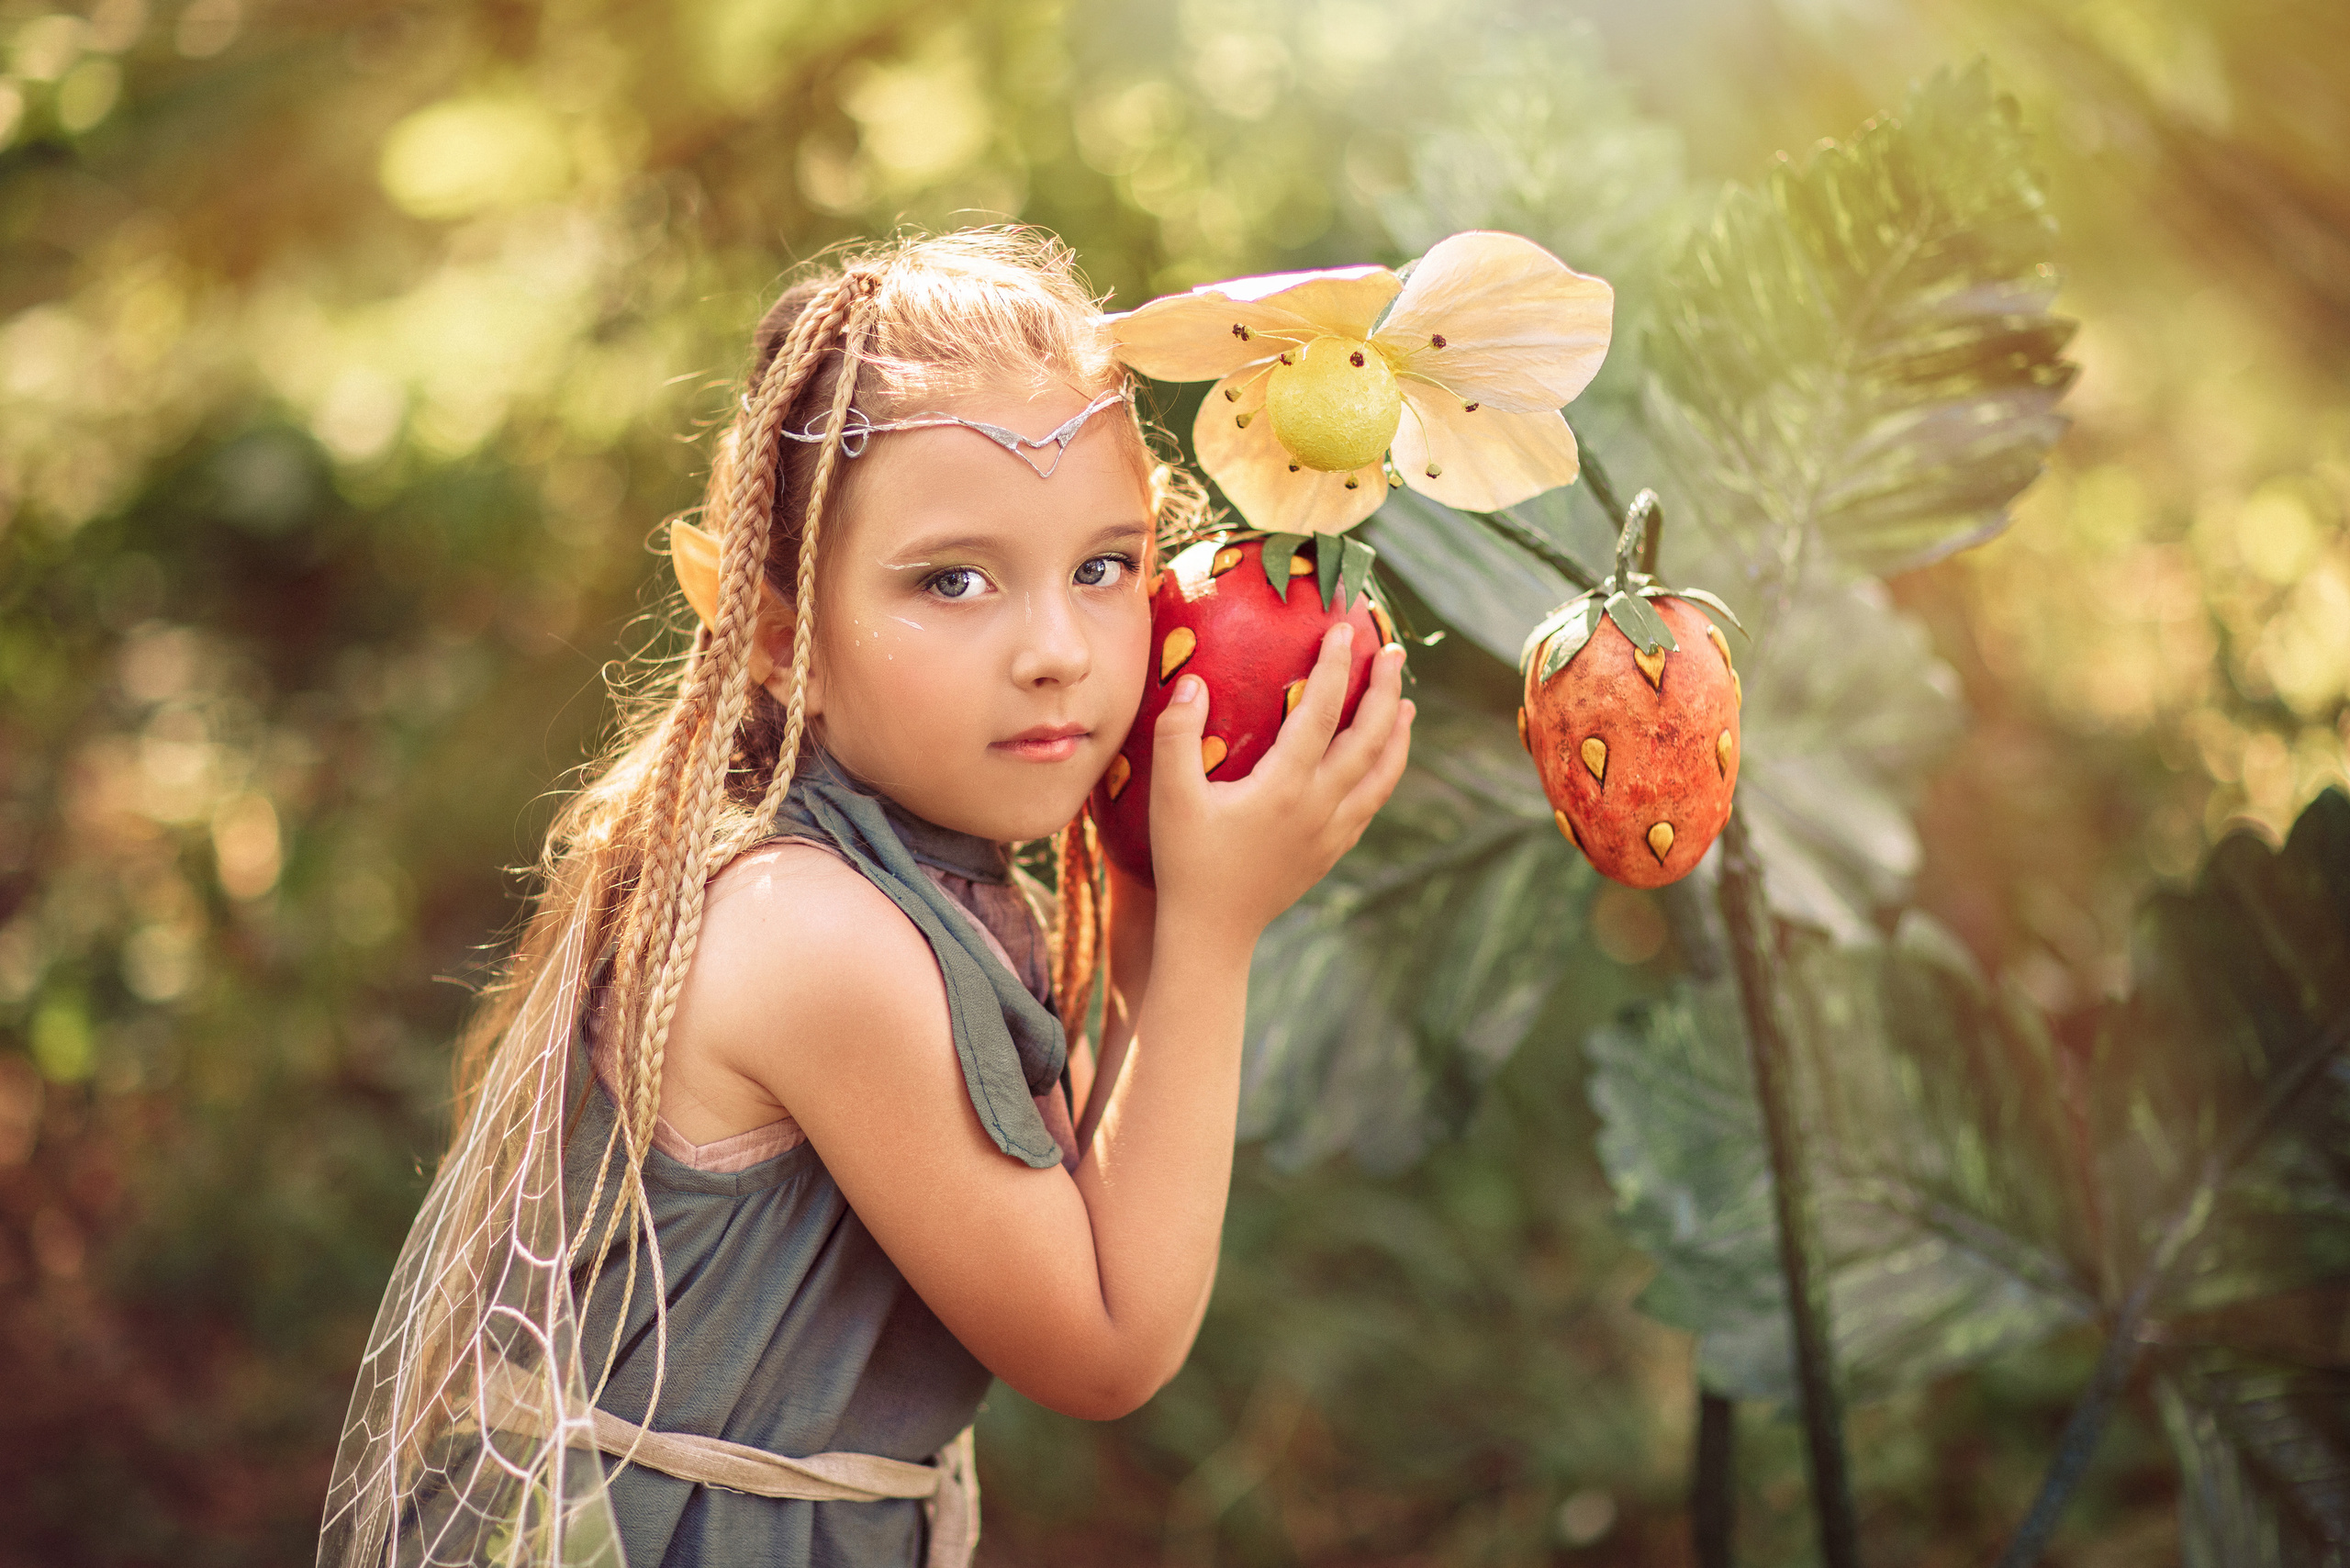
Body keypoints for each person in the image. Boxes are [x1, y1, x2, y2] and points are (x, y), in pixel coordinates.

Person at [317, 228, 1415, 1568]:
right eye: (952, 580)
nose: (1059, 652)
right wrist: (1214, 932)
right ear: (783, 640)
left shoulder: (908, 873)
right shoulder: (812, 939)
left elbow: (1086, 1208)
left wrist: (1144, 885)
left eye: (1107, 565)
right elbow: (1110, 1342)